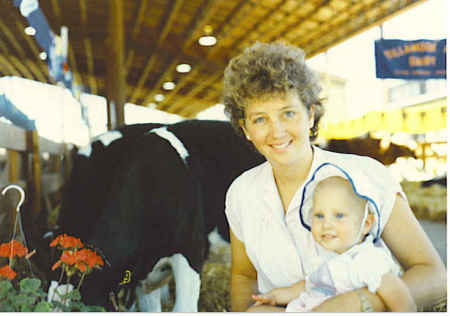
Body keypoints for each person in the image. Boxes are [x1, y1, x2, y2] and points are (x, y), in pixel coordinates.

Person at [222, 41, 446, 312]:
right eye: (260, 119)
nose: (276, 131)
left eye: (288, 113)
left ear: (310, 115)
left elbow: (434, 276)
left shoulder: (367, 175)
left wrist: (360, 303)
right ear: (245, 129)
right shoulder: (241, 192)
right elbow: (244, 276)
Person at [252, 172, 416, 312]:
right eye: (319, 216)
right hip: (308, 306)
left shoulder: (367, 260)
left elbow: (399, 295)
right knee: (255, 311)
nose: (326, 224)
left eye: (339, 216)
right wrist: (275, 296)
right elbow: (307, 285)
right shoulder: (326, 254)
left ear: (366, 224)